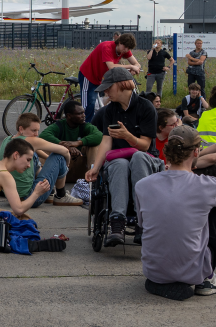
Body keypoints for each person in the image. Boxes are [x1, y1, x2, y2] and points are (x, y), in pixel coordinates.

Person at [137, 126, 216, 300]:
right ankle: (207, 277)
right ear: (196, 152)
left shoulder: (143, 184)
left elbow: (142, 223)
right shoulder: (208, 186)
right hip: (190, 272)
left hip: (153, 271)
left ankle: (166, 274)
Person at [85, 67, 161, 246]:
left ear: (122, 85)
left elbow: (145, 145)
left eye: (108, 88)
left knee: (138, 158)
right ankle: (117, 220)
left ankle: (142, 219)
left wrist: (128, 136)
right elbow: (106, 142)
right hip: (119, 158)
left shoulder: (146, 107)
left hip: (144, 158)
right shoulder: (109, 110)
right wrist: (95, 168)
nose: (105, 92)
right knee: (119, 163)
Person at [0, 112, 75, 205]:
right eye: (33, 130)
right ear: (21, 129)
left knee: (31, 154)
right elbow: (65, 151)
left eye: (38, 130)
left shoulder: (8, 139)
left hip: (11, 196)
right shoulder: (31, 141)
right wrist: (66, 164)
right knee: (59, 157)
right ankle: (61, 196)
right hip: (31, 197)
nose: (36, 134)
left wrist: (50, 162)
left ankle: (50, 193)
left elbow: (35, 149)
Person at [40, 99, 103, 187]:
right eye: (80, 113)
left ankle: (94, 180)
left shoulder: (85, 126)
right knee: (43, 146)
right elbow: (43, 135)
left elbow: (99, 135)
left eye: (83, 113)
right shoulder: (60, 125)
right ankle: (43, 181)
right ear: (69, 116)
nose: (84, 116)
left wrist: (77, 143)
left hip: (82, 170)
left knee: (95, 145)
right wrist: (66, 147)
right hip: (61, 171)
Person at [79, 33, 139, 120]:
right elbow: (111, 66)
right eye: (125, 47)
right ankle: (84, 128)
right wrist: (130, 67)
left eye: (128, 48)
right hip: (88, 75)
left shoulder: (124, 50)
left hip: (100, 78)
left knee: (101, 104)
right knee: (88, 106)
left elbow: (136, 64)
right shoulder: (107, 46)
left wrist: (135, 68)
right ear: (119, 42)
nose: (126, 50)